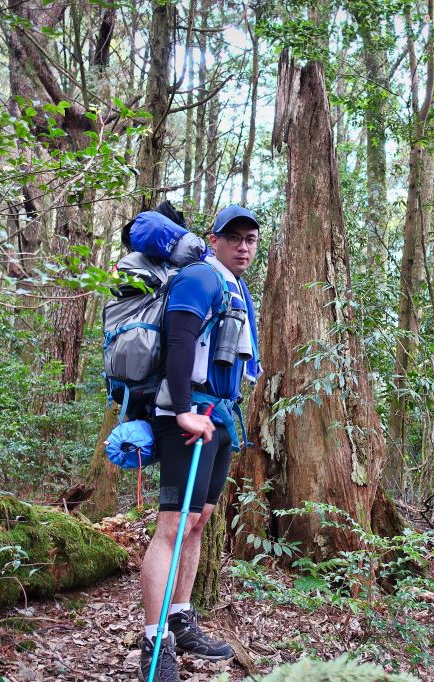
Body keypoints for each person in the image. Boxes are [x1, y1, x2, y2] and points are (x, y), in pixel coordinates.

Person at [139, 205, 262, 682]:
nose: (244, 245)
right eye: (234, 237)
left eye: (250, 238)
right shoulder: (199, 277)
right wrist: (185, 408)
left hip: (219, 415)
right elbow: (181, 340)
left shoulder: (233, 284)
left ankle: (180, 617)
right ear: (214, 239)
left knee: (199, 518)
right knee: (172, 523)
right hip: (188, 413)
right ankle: (154, 642)